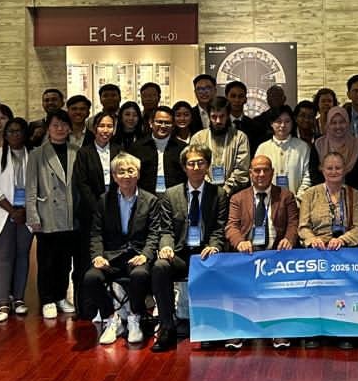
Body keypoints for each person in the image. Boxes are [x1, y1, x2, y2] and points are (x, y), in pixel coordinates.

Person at [85, 153, 170, 347]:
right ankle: (111, 318)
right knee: (91, 278)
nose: (126, 176)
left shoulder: (150, 200)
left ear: (138, 174)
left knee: (140, 275)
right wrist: (97, 256)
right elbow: (96, 233)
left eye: (131, 170)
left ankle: (134, 317)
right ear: (114, 177)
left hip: (137, 256)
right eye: (121, 172)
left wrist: (146, 255)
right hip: (112, 257)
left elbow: (154, 234)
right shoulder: (104, 201)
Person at [218, 154, 301, 350]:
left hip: (276, 254)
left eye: (265, 170)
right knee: (236, 281)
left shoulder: (286, 196)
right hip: (248, 255)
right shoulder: (238, 198)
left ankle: (279, 330)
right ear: (250, 173)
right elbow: (231, 227)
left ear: (272, 173)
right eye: (257, 170)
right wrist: (240, 242)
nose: (261, 174)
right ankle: (239, 329)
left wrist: (289, 240)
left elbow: (293, 223)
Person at [160, 145, 229, 346]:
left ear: (208, 165)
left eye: (201, 163)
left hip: (205, 253)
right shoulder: (171, 194)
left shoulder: (219, 194)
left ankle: (208, 327)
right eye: (191, 163)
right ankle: (167, 327)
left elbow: (219, 228)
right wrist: (166, 246)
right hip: (180, 254)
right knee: (160, 267)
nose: (196, 167)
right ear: (184, 167)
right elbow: (166, 229)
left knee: (213, 264)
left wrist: (215, 246)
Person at [300, 150, 358, 349]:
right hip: (317, 251)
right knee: (315, 294)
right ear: (322, 169)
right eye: (329, 168)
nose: (334, 171)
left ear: (345, 170)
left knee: (345, 294)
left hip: (345, 251)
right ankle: (314, 332)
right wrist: (313, 239)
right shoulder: (310, 194)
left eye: (338, 168)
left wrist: (342, 240)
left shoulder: (355, 194)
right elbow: (303, 227)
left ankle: (344, 332)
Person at [26, 110, 84, 320]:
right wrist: (33, 216)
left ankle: (60, 296)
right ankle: (47, 299)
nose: (60, 129)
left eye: (63, 125)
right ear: (48, 128)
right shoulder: (37, 154)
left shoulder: (77, 151)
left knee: (65, 261)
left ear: (69, 127)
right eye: (55, 125)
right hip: (47, 214)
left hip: (71, 214)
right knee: (47, 261)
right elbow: (31, 187)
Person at [0, 117, 34, 322]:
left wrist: (25, 210)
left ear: (25, 134)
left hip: (27, 214)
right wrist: (12, 211)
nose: (15, 135)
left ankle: (19, 298)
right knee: (4, 257)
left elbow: (38, 185)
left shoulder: (33, 155)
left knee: (22, 255)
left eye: (19, 131)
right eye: (11, 131)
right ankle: (3, 301)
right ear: (5, 134)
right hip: (3, 213)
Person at [312, 105, 358, 195]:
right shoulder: (319, 144)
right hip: (323, 195)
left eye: (342, 122)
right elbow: (314, 175)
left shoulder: (357, 145)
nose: (338, 126)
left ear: (348, 123)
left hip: (353, 195)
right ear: (328, 124)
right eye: (333, 123)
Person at [189, 97, 251, 197]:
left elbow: (241, 171)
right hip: (205, 194)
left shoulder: (240, 137)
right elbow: (196, 168)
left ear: (228, 115)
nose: (218, 121)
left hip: (233, 194)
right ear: (208, 116)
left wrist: (225, 190)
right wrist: (210, 189)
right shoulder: (198, 138)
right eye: (214, 117)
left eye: (222, 116)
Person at [255, 104, 312, 197]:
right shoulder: (263, 148)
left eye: (287, 121)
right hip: (269, 201)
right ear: (271, 123)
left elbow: (307, 176)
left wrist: (298, 199)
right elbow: (256, 176)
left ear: (292, 123)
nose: (283, 125)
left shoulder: (303, 147)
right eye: (278, 121)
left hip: (296, 201)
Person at [129, 106, 186, 194]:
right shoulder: (137, 147)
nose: (163, 126)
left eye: (167, 123)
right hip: (145, 195)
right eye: (159, 122)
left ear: (173, 125)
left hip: (174, 195)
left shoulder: (182, 148)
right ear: (151, 123)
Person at [224, 80, 267, 149]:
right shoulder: (219, 125)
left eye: (241, 96)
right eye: (233, 96)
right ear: (226, 98)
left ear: (245, 99)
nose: (237, 100)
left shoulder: (255, 127)